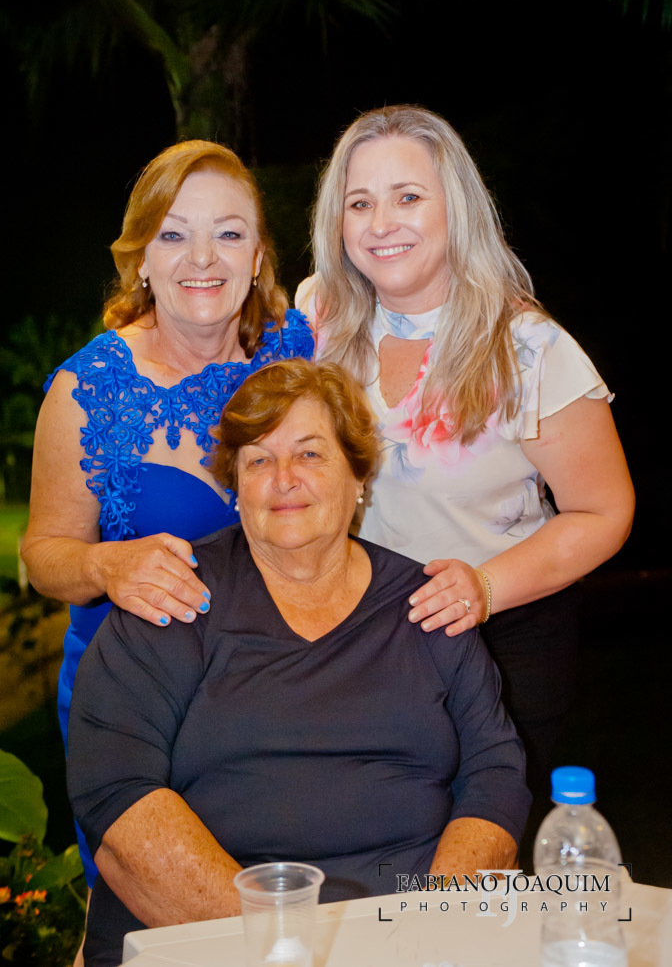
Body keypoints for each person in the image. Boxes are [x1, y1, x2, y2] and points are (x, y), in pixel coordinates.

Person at [67, 358, 531, 967]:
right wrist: (279, 948)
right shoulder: (172, 598)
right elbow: (118, 797)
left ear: (357, 475)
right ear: (236, 490)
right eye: (258, 461)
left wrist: (433, 930)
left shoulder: (428, 605)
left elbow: (494, 776)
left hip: (409, 934)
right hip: (213, 938)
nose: (284, 478)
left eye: (310, 454)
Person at [297, 105, 635, 792]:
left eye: (408, 197)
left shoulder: (530, 349)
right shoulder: (317, 318)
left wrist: (484, 587)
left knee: (474, 848)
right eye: (360, 203)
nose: (381, 223)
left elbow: (604, 512)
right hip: (353, 640)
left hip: (497, 646)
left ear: (457, 207)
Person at [21, 139, 314, 890]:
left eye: (229, 233)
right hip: (140, 715)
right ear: (142, 259)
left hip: (285, 696)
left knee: (293, 907)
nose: (202, 258)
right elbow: (42, 555)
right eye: (174, 234)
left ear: (258, 256)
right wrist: (103, 563)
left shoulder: (297, 354)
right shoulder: (88, 391)